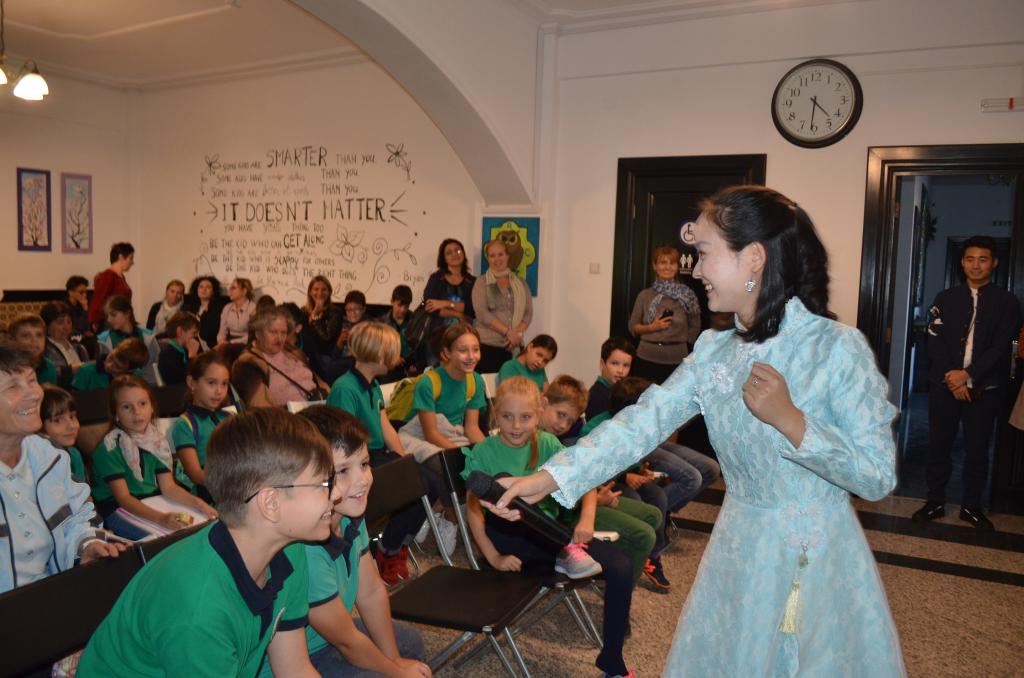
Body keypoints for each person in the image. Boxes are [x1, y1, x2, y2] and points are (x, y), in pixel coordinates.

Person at [489, 186, 906, 677]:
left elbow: (876, 475)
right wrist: (549, 478)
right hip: (740, 548)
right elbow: (642, 423)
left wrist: (793, 422)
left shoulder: (835, 348)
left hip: (814, 561)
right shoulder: (713, 350)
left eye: (706, 254)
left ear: (754, 258)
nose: (698, 270)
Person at [78, 408, 337, 677]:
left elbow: (295, 669)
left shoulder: (288, 549)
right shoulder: (199, 605)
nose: (335, 493)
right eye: (323, 484)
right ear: (270, 503)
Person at [462, 376, 635, 678]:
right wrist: (492, 557)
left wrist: (587, 519)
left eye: (525, 417)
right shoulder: (484, 452)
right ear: (495, 415)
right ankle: (566, 553)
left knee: (621, 566)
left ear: (538, 414)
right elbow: (474, 511)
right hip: (509, 538)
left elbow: (584, 480)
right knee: (500, 484)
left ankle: (612, 662)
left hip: (551, 535)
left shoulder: (547, 443)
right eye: (507, 417)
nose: (516, 426)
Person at [267, 405, 431, 678]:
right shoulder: (305, 547)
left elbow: (371, 592)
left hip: (332, 638)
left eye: (364, 464)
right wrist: (396, 671)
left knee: (410, 644)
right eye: (342, 470)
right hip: (303, 657)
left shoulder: (349, 516)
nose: (362, 480)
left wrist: (394, 659)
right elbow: (346, 642)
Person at [326, 322, 454, 583]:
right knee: (416, 485)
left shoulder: (372, 385)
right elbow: (344, 442)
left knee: (429, 482)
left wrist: (405, 461)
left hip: (377, 456)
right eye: (393, 353)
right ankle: (388, 549)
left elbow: (386, 427)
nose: (397, 358)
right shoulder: (345, 388)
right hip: (357, 462)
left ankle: (392, 546)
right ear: (379, 355)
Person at [913, 235, 1022, 529]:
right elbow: (935, 341)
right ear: (962, 263)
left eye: (983, 259)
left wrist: (968, 375)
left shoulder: (1007, 302)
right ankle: (934, 501)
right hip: (944, 386)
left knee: (977, 449)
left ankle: (971, 506)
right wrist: (954, 378)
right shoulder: (945, 298)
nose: (976, 265)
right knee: (939, 444)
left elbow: (1000, 348)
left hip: (984, 388)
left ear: (994, 263)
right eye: (970, 259)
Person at [0, 343, 123, 594]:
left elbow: (78, 518)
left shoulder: (50, 457)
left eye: (32, 380)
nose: (34, 394)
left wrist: (87, 545)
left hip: (53, 596)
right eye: (13, 386)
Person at [90, 375, 217, 540]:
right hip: (117, 509)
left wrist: (199, 504)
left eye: (142, 404)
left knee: (201, 525)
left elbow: (168, 487)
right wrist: (161, 518)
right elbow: (123, 498)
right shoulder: (110, 447)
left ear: (151, 408)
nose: (136, 412)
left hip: (152, 500)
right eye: (127, 407)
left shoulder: (156, 442)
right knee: (169, 539)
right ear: (115, 414)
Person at [397, 323, 487, 462]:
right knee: (438, 459)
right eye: (463, 350)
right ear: (447, 353)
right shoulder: (428, 383)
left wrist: (487, 451)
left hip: (454, 434)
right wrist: (462, 456)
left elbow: (472, 428)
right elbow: (431, 434)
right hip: (420, 436)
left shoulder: (475, 381)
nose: (471, 356)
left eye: (476, 350)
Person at [629, 245, 702, 384]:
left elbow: (695, 325)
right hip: (646, 358)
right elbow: (633, 327)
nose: (667, 267)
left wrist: (685, 344)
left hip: (677, 360)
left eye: (672, 263)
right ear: (655, 266)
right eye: (663, 262)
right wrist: (652, 327)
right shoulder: (644, 296)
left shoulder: (688, 295)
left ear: (677, 266)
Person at [171, 351, 232, 503]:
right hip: (207, 493)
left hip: (235, 484)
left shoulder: (229, 418)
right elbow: (196, 475)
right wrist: (233, 482)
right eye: (211, 383)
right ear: (192, 383)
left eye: (224, 384)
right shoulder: (185, 425)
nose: (219, 391)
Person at [239, 307, 326, 407]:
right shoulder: (248, 363)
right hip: (289, 415)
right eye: (273, 332)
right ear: (258, 334)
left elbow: (319, 382)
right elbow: (261, 409)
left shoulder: (292, 351)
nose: (280, 339)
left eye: (283, 332)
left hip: (319, 405)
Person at [472, 239, 533, 373]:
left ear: (507, 256)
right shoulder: (482, 282)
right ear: (488, 258)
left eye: (500, 254)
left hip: (514, 347)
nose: (497, 259)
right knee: (489, 386)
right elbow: (482, 313)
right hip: (488, 347)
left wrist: (516, 334)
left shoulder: (520, 283)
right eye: (492, 255)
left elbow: (528, 313)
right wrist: (508, 332)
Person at [96, 295, 161, 374]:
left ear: (127, 313)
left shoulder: (147, 337)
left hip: (144, 380)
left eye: (113, 315)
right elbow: (103, 372)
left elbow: (155, 368)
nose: (109, 320)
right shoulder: (104, 340)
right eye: (107, 316)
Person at [423, 238, 475, 334]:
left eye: (458, 250)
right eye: (449, 253)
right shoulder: (436, 278)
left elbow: (472, 309)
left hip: (466, 334)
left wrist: (445, 304)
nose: (454, 254)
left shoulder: (472, 281)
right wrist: (460, 314)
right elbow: (430, 307)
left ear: (463, 253)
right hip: (438, 334)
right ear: (444, 258)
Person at [40, 385, 88, 485]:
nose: (71, 426)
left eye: (72, 417)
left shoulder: (74, 455)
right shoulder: (38, 462)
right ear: (39, 426)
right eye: (58, 420)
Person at [301, 275, 344, 381]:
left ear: (329, 292)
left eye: (324, 290)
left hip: (326, 356)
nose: (319, 293)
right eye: (316, 289)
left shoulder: (335, 312)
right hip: (307, 356)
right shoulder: (303, 311)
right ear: (310, 292)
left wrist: (315, 318)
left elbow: (326, 340)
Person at [71, 337, 149, 391]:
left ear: (130, 370)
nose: (109, 365)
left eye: (117, 366)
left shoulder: (136, 378)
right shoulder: (86, 371)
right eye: (111, 357)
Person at [585, 337, 634, 422]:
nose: (620, 370)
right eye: (615, 363)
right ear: (602, 364)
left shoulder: (620, 392)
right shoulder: (597, 396)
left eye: (626, 365)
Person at [88, 242, 135, 331]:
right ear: (121, 257)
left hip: (121, 321)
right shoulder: (108, 276)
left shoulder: (120, 277)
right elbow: (98, 299)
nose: (132, 262)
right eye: (130, 258)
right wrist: (95, 321)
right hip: (111, 323)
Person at [41, 301, 89, 385]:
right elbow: (45, 376)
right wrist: (69, 371)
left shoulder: (79, 348)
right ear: (47, 325)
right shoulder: (43, 349)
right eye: (60, 322)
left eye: (69, 322)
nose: (66, 327)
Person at [378, 284, 416, 381]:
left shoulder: (415, 320)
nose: (403, 310)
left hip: (410, 363)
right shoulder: (382, 322)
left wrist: (415, 365)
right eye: (399, 305)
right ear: (392, 301)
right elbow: (378, 347)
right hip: (389, 364)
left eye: (406, 306)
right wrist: (392, 358)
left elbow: (419, 345)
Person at [9, 314, 59, 386]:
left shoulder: (49, 367)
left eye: (39, 335)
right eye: (26, 336)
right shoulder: (6, 368)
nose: (34, 340)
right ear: (12, 340)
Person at [157, 311, 202, 385]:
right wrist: (192, 356)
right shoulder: (167, 354)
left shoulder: (184, 350)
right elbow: (183, 379)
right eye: (193, 333)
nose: (195, 337)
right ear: (180, 331)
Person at [182, 275, 225, 349]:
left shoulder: (219, 308)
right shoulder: (190, 308)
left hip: (210, 346)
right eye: (201, 287)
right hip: (189, 342)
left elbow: (213, 331)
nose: (204, 289)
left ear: (213, 291)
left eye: (208, 287)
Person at [64, 275, 97, 357]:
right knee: (91, 342)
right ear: (71, 292)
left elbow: (87, 327)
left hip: (83, 337)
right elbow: (77, 326)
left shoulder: (81, 305)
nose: (84, 295)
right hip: (71, 337)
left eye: (86, 292)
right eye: (81, 292)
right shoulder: (64, 307)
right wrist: (85, 309)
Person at [218, 277, 257, 345]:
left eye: (233, 288)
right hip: (228, 342)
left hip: (246, 343)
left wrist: (231, 343)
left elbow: (252, 335)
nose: (229, 290)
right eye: (230, 287)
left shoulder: (253, 308)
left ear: (244, 291)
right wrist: (221, 341)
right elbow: (222, 331)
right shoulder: (227, 307)